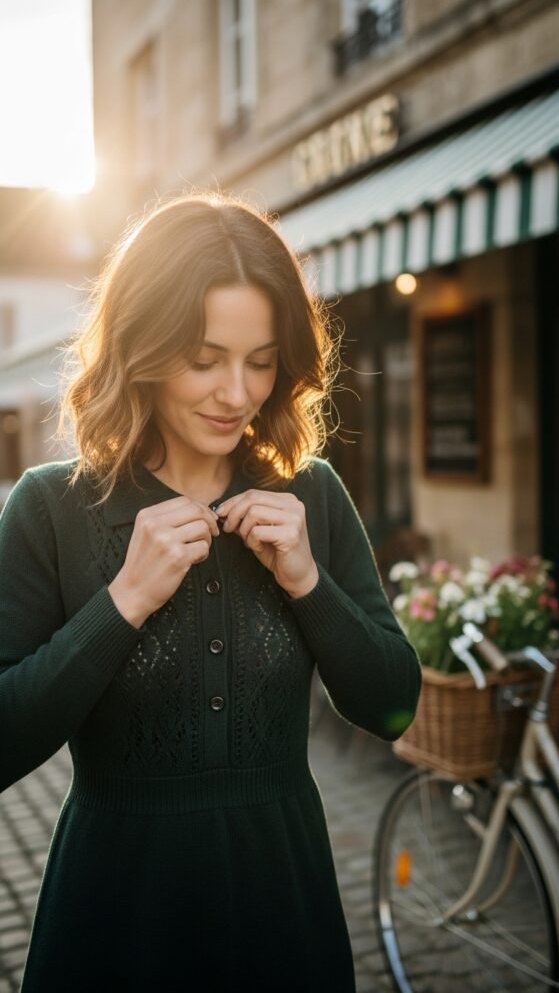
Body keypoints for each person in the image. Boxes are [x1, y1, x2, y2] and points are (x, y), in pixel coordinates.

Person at [0, 192, 421, 992]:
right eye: (204, 359)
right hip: (113, 926)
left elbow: (392, 703)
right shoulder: (50, 508)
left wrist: (306, 579)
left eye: (260, 360)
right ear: (142, 348)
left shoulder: (315, 496)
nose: (237, 392)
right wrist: (121, 602)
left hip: (283, 917)